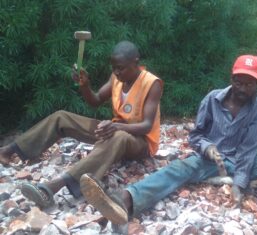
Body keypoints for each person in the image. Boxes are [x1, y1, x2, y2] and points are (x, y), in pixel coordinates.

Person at [79, 55, 257, 235]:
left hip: (243, 162)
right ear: (232, 79)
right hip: (210, 161)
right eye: (240, 82)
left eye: (250, 84)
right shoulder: (212, 99)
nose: (243, 88)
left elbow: (250, 151)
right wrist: (207, 147)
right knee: (178, 169)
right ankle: (124, 200)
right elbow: (196, 136)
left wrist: (239, 183)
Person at [0, 41, 163, 208]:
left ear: (135, 62)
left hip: (140, 143)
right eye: (113, 67)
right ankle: (9, 150)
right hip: (114, 131)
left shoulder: (152, 83)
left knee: (118, 136)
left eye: (120, 68)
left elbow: (147, 126)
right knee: (62, 117)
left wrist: (116, 127)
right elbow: (96, 100)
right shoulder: (116, 77)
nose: (116, 72)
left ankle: (54, 187)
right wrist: (85, 86)